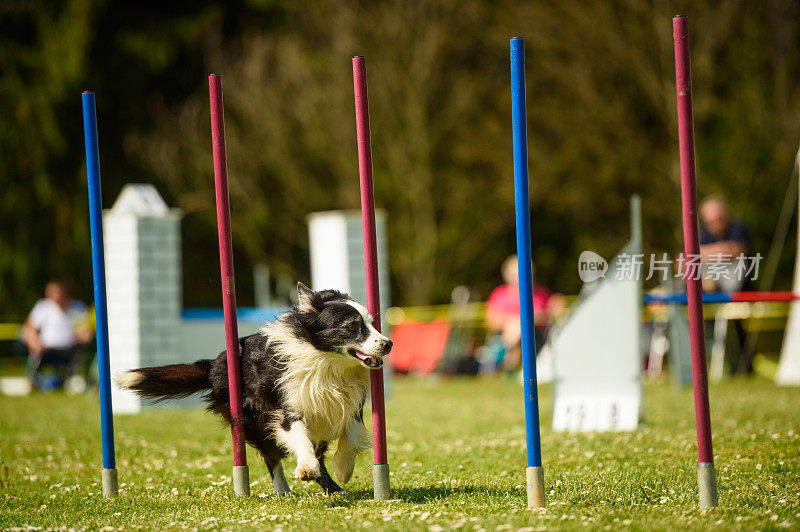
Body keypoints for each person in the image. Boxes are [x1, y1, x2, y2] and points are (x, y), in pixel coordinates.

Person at [484, 255, 565, 372]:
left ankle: (510, 366)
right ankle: (510, 363)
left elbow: (552, 313)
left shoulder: (541, 293)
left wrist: (557, 304)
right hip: (507, 337)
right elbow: (492, 322)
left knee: (521, 324)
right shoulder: (500, 295)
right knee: (518, 324)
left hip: (538, 335)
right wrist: (517, 319)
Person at [22, 280, 92, 389]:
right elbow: (29, 328)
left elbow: (85, 330)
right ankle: (33, 381)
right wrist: (35, 342)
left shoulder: (78, 307)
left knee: (79, 352)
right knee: (37, 354)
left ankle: (73, 380)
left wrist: (82, 337)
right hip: (45, 349)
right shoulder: (43, 307)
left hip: (70, 349)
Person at [698, 196, 751, 292]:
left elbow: (737, 251)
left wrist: (708, 252)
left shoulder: (737, 227)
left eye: (718, 220)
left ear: (726, 215)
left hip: (737, 290)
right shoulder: (704, 231)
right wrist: (722, 249)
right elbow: (695, 255)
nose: (715, 225)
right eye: (710, 222)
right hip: (712, 282)